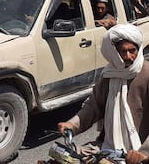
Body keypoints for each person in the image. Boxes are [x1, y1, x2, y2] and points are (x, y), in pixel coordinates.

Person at [57, 24, 149, 164]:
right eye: (122, 52)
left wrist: (144, 152)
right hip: (109, 147)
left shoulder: (147, 74)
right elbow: (94, 106)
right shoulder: (109, 75)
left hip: (139, 152)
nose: (128, 56)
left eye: (132, 50)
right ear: (113, 53)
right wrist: (72, 124)